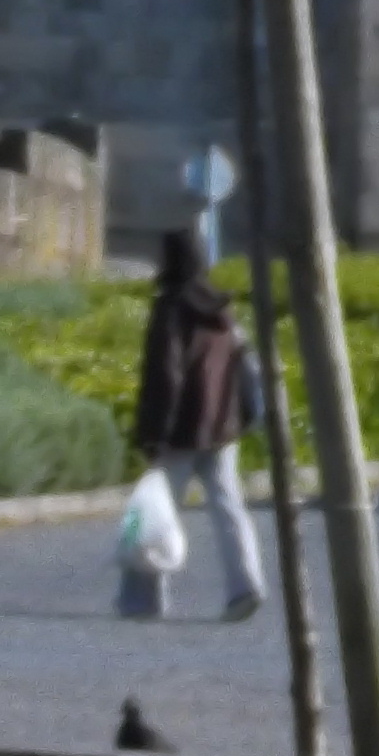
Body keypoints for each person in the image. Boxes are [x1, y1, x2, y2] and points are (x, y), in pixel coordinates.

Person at [130, 229, 264, 625]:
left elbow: (166, 376)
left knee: (156, 510)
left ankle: (143, 597)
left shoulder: (171, 310)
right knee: (229, 507)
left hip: (181, 431)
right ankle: (246, 585)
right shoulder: (222, 312)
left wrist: (154, 432)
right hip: (222, 427)